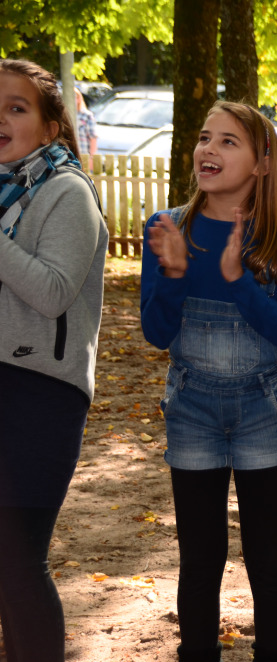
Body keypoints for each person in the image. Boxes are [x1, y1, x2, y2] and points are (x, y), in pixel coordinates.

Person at [140, 101, 277, 662]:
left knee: (267, 558)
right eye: (203, 137)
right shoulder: (169, 228)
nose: (207, 149)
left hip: (264, 409)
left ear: (263, 163)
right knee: (200, 558)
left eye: (227, 141)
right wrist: (173, 273)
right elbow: (157, 333)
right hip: (191, 409)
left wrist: (239, 281)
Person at [0, 58, 107, 662]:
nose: (0, 119)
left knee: (18, 562)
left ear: (49, 127)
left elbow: (52, 292)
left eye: (16, 108)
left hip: (40, 394)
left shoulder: (68, 192)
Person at [74, 87, 98, 157]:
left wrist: (91, 157)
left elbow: (93, 138)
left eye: (73, 97)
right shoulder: (63, 116)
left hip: (84, 156)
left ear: (79, 99)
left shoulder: (87, 115)